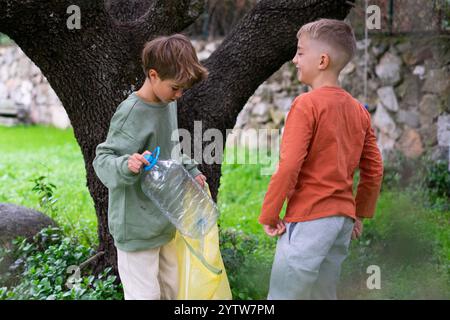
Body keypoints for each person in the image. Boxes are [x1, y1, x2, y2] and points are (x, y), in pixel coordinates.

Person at [258, 19, 384, 300]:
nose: (294, 59)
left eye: (301, 52)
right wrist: (359, 214)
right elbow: (374, 169)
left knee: (284, 293)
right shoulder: (359, 111)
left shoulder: (306, 105)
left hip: (310, 218)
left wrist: (270, 212)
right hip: (341, 222)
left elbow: (289, 165)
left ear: (322, 60)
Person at [93, 34, 208, 300]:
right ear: (153, 75)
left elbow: (172, 148)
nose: (179, 95)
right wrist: (126, 164)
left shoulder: (167, 103)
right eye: (175, 87)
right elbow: (102, 159)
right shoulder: (131, 113)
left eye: (183, 89)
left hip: (163, 220)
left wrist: (192, 171)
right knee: (145, 295)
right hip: (135, 225)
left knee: (172, 290)